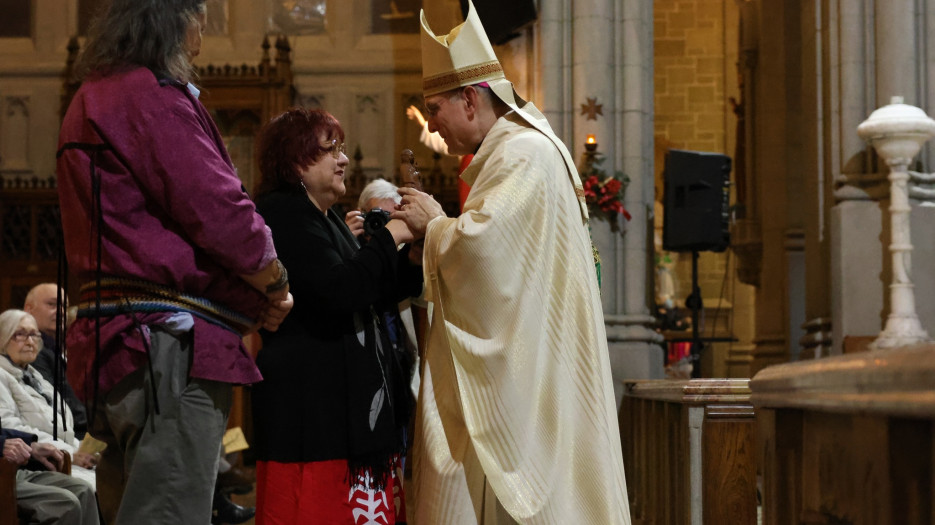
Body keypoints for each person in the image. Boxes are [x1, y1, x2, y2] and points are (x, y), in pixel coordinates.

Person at [391, 2, 631, 523]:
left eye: (436, 110)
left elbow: (483, 254)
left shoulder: (522, 155)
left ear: (471, 102)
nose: (432, 127)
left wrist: (433, 225)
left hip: (532, 377)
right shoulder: (519, 152)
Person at [55, 0, 294, 523]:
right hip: (167, 348)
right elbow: (219, 210)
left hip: (113, 346)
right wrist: (273, 282)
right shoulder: (151, 98)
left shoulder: (89, 98)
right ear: (171, 24)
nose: (200, 44)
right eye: (198, 27)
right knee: (169, 515)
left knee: (131, 512)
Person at [251, 108, 421, 524]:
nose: (343, 158)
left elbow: (371, 290)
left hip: (339, 412)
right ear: (295, 162)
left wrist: (413, 256)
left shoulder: (322, 216)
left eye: (341, 148)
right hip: (312, 416)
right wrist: (393, 235)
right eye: (330, 149)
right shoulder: (284, 213)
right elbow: (340, 290)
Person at [0, 309, 97, 488]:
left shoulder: (33, 375)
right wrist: (70, 453)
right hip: (35, 463)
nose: (30, 342)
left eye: (34, 335)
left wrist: (80, 450)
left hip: (63, 455)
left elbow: (62, 427)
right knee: (94, 487)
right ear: (3, 338)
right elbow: (10, 427)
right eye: (20, 335)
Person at [2, 419, 100, 525]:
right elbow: (8, 421)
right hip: (3, 472)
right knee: (64, 503)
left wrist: (30, 444)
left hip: (13, 470)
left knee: (83, 489)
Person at [23, 283, 88, 440]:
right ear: (29, 309)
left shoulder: (55, 348)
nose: (60, 311)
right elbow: (51, 403)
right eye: (51, 304)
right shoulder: (30, 350)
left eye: (64, 306)